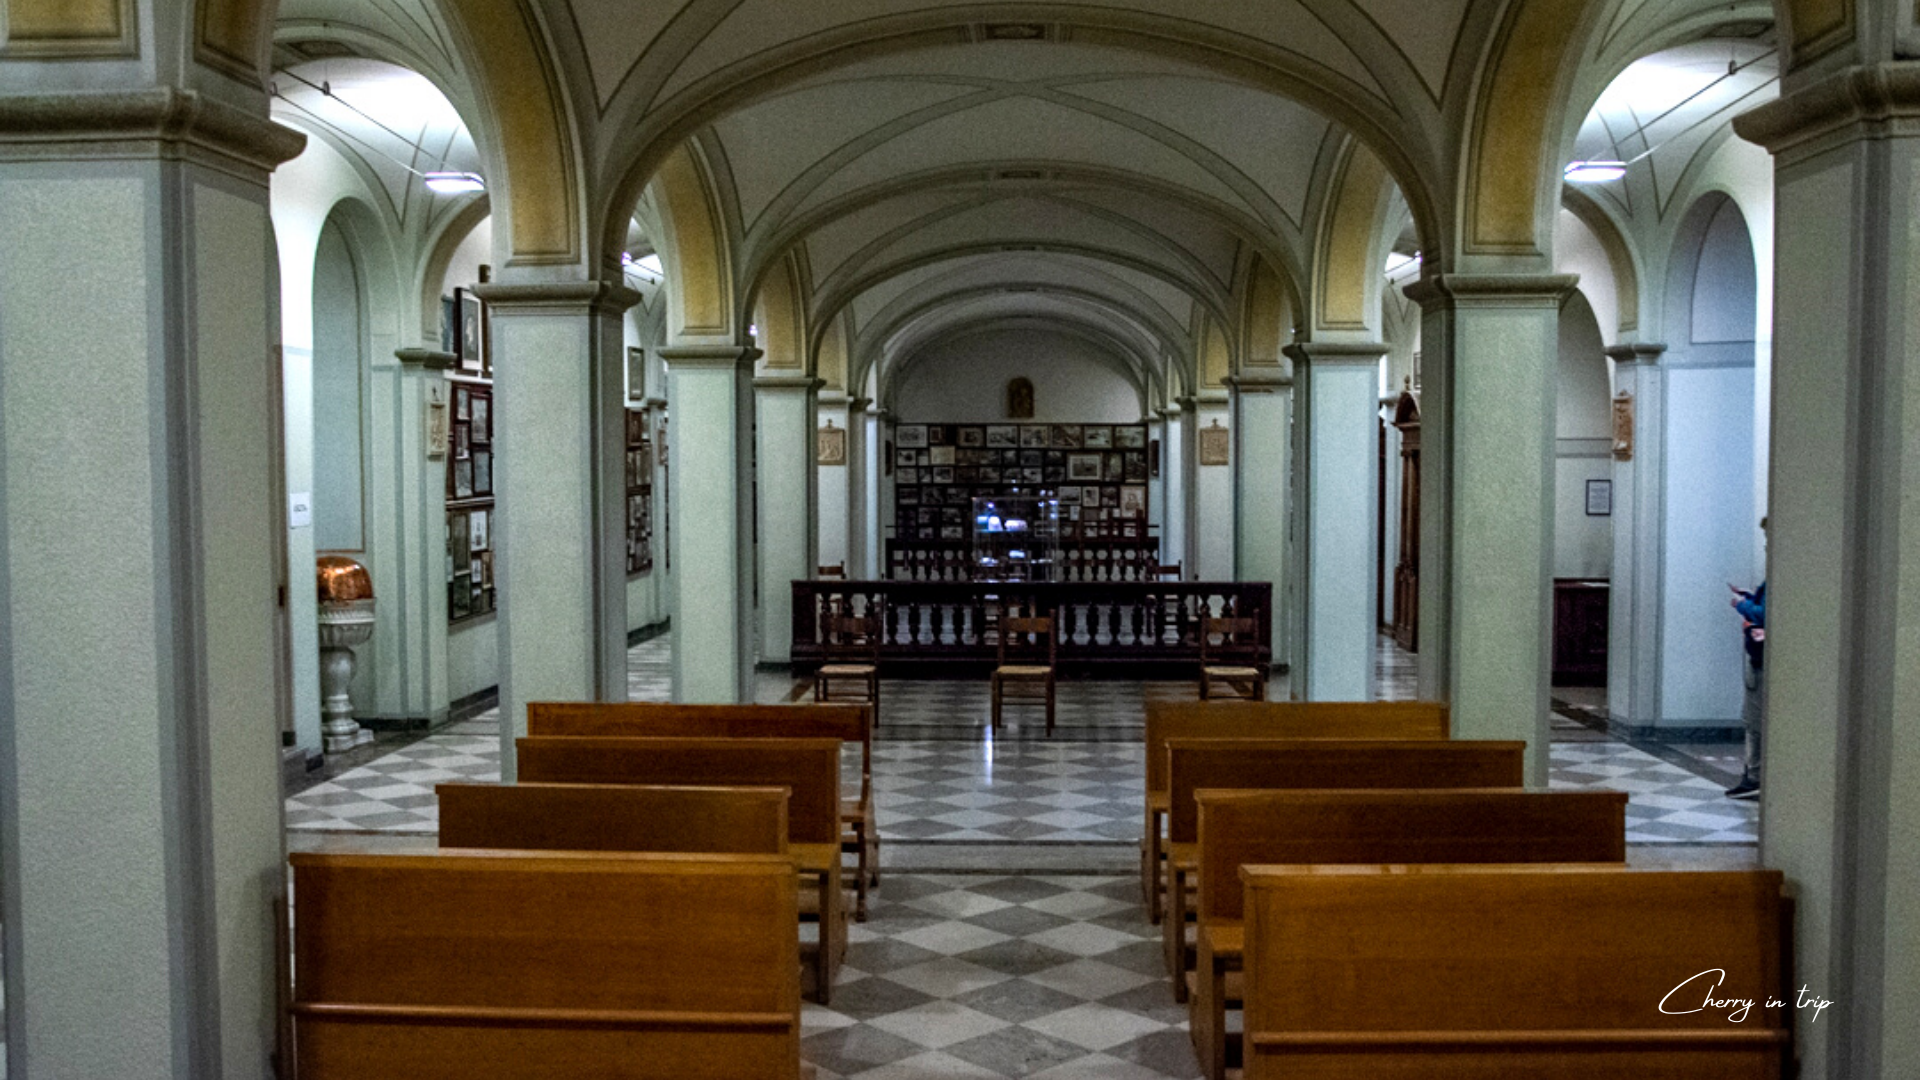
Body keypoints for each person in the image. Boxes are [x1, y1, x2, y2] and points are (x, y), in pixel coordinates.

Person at [1727, 518, 1768, 800]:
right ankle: (1753, 774)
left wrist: (1742, 604)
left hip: (1761, 660)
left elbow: (1765, 614)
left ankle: (1753, 777)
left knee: (1754, 723)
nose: (1766, 544)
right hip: (1759, 656)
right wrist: (1750, 597)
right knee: (1753, 722)